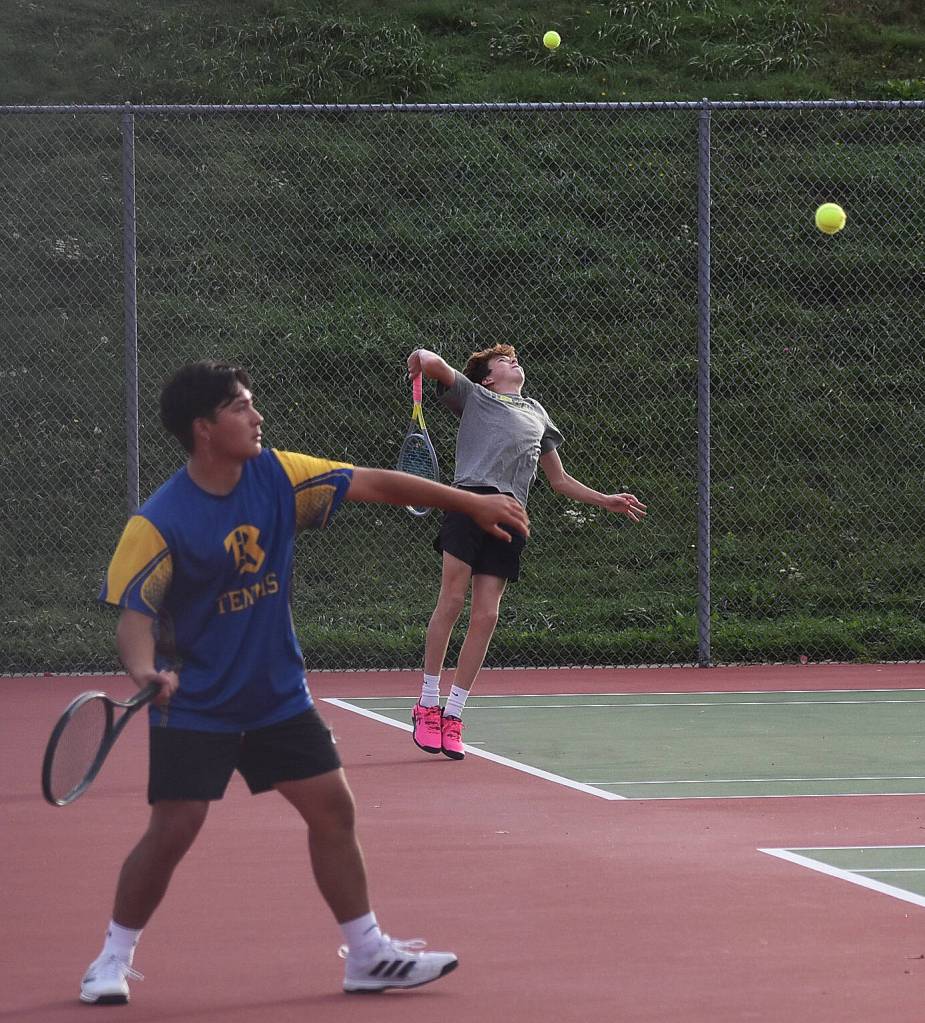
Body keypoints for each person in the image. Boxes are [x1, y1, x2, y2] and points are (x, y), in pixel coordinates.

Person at [80, 360, 530, 1005]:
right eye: (241, 408)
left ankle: (368, 954)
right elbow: (134, 617)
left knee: (333, 810)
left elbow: (374, 482)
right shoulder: (160, 521)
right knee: (172, 830)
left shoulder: (279, 475)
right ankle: (110, 959)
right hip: (199, 705)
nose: (257, 416)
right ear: (204, 429)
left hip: (277, 697)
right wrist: (144, 669)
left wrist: (473, 502)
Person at [407, 344, 647, 760]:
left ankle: (455, 713)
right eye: (503, 361)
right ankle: (428, 703)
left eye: (514, 359)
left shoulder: (537, 412)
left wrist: (605, 499)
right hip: (468, 502)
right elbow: (433, 362)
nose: (513, 362)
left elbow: (559, 480)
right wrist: (419, 359)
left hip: (511, 513)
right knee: (451, 599)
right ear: (487, 377)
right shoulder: (473, 395)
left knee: (487, 615)